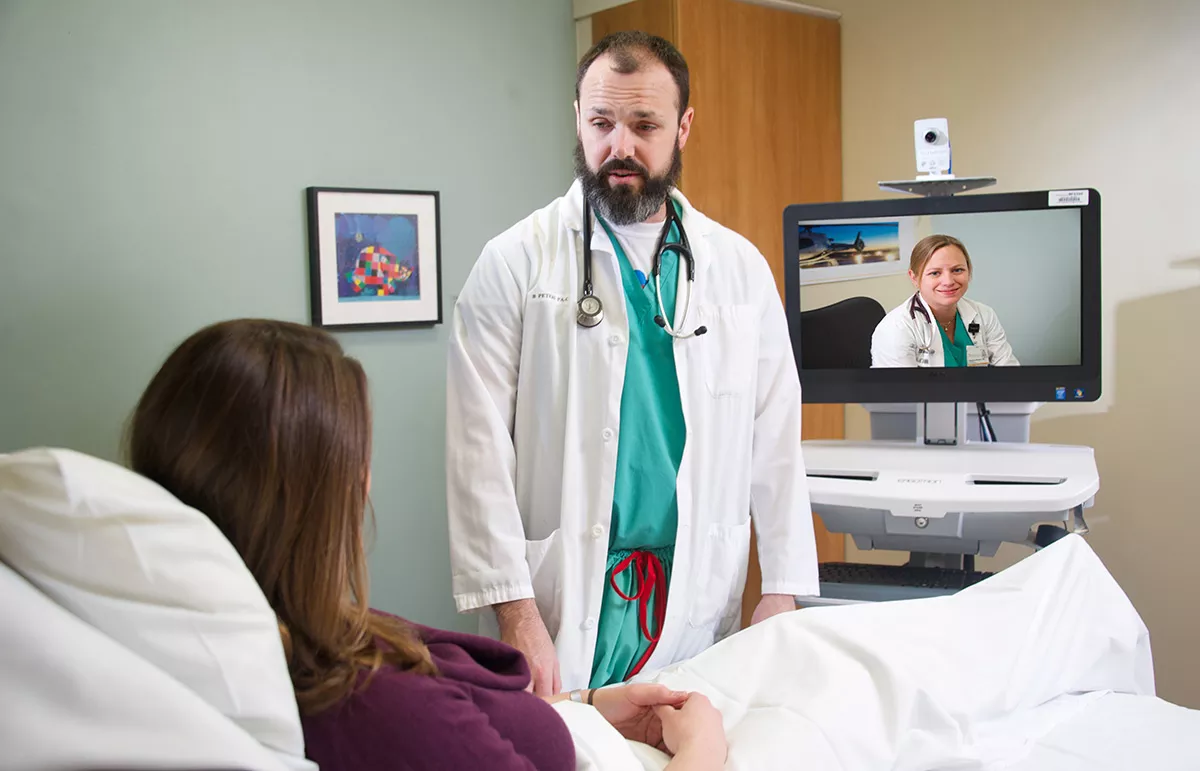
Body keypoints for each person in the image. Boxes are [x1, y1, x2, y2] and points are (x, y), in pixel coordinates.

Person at [123, 319, 729, 771]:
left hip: (594, 724)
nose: (367, 478)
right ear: (318, 494)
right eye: (357, 457)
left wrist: (589, 704)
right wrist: (703, 746)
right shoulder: (370, 708)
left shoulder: (290, 632)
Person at [446, 30, 819, 698]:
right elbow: (478, 458)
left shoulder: (738, 270)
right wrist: (516, 611)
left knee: (687, 740)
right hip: (562, 600)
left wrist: (784, 588)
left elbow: (777, 440)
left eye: (644, 124)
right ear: (579, 120)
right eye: (602, 122)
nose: (620, 146)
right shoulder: (514, 263)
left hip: (695, 586)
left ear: (684, 126)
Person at [871, 234, 1019, 368]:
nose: (948, 281)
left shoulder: (984, 315)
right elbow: (905, 394)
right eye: (935, 273)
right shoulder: (896, 329)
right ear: (914, 278)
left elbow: (1009, 371)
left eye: (957, 270)